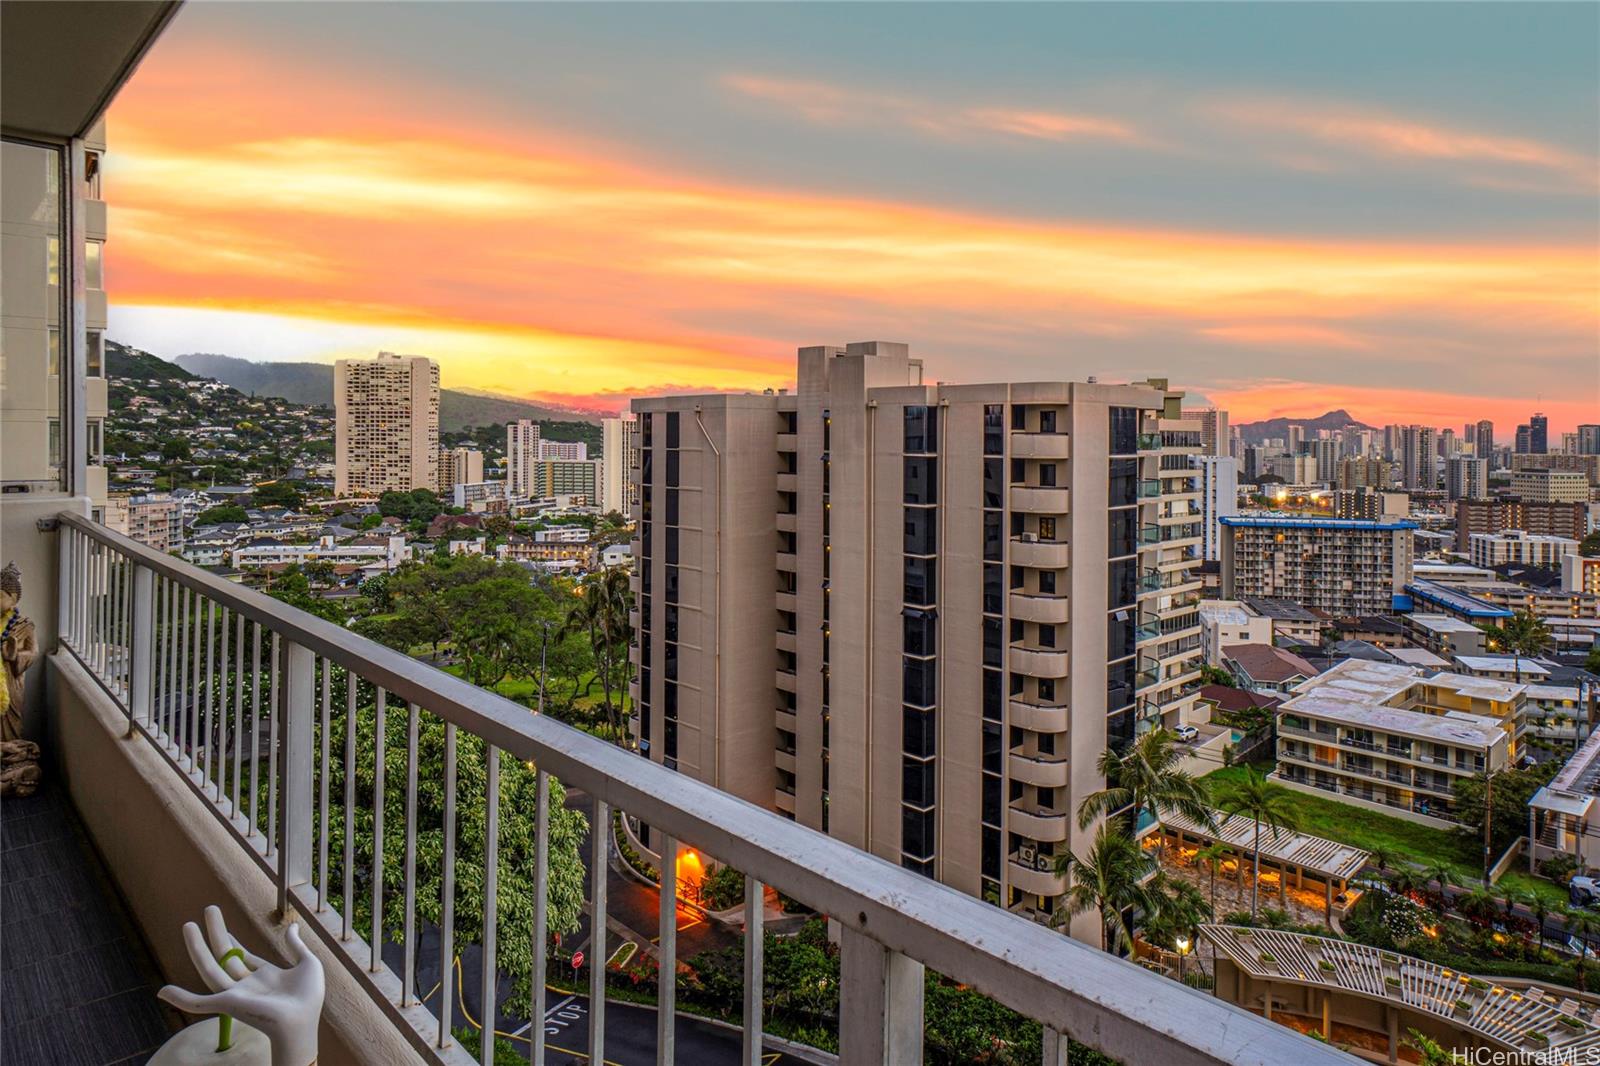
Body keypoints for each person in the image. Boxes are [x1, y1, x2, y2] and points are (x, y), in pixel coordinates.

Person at [0, 561, 41, 797]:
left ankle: (12, 759)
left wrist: (14, 657)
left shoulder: (24, 626)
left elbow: (33, 653)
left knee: (10, 723)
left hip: (10, 684)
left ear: (14, 599)